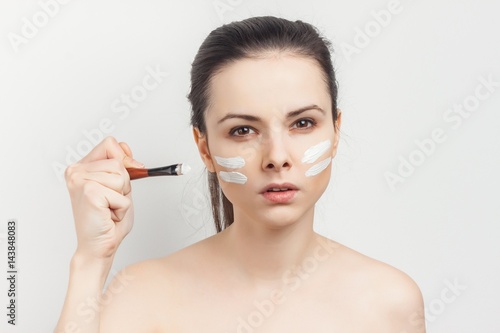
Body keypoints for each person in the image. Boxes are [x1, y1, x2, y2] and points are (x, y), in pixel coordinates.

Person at [56, 16, 425, 332]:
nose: (277, 158)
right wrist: (91, 260)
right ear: (205, 149)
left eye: (303, 123)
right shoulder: (141, 294)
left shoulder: (389, 302)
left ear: (335, 132)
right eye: (243, 130)